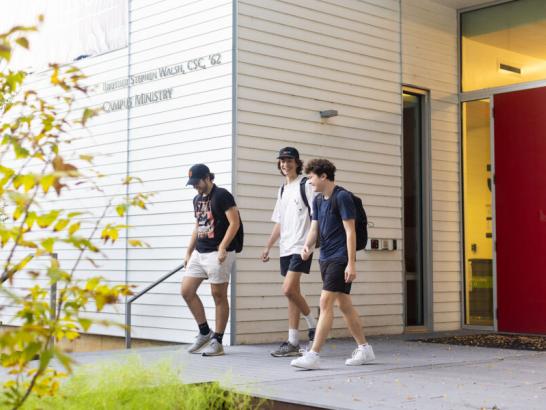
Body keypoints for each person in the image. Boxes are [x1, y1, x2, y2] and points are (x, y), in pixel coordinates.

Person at [290, 158, 375, 369]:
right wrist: (307, 246)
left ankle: (313, 355)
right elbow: (314, 228)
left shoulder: (343, 197)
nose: (309, 182)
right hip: (325, 257)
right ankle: (364, 349)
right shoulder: (318, 200)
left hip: (340, 258)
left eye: (311, 178)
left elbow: (350, 232)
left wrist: (351, 263)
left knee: (325, 302)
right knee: (344, 304)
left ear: (323, 176)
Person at [261, 147, 317, 357]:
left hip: (301, 246)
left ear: (297, 162)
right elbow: (279, 222)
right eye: (282, 161)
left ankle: (314, 325)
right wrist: (268, 246)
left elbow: (316, 216)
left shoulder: (306, 184)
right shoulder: (282, 189)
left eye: (289, 160)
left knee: (288, 289)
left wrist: (310, 243)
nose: (285, 164)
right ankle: (293, 342)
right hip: (285, 247)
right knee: (292, 294)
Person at [182, 164, 240, 356]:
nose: (195, 187)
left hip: (218, 252)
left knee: (219, 295)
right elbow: (198, 225)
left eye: (197, 182)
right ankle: (205, 332)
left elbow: (235, 223)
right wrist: (189, 251)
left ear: (207, 178)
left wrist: (223, 246)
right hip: (200, 252)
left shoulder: (222, 195)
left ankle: (218, 341)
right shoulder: (196, 199)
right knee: (187, 291)